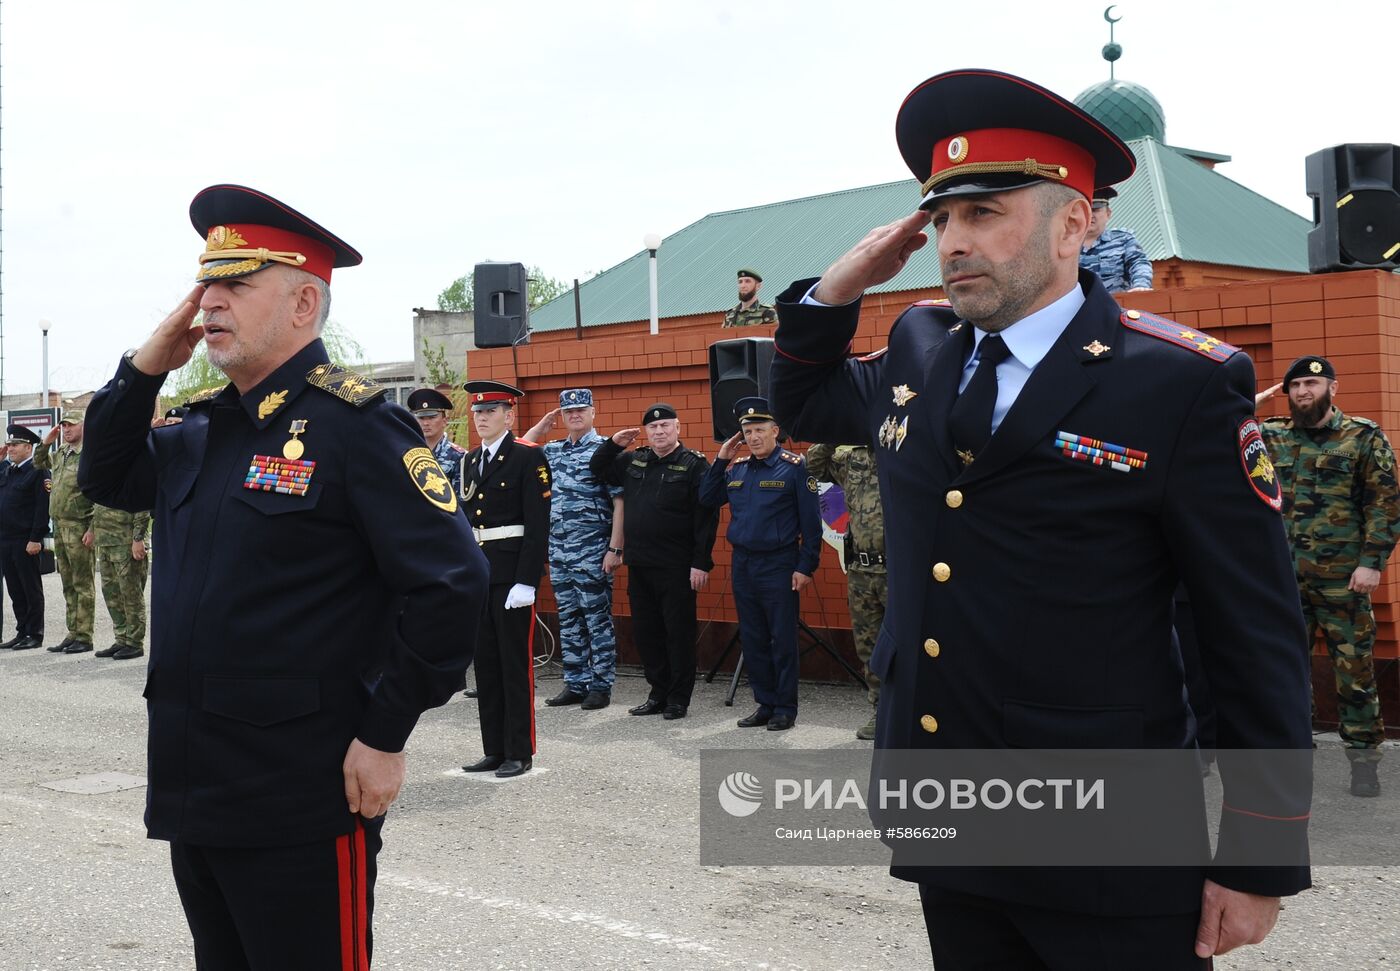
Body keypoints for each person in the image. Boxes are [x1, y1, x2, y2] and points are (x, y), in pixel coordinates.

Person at [767, 69, 1312, 968]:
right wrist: (840, 285)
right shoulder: (919, 344)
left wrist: (1259, 851)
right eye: (941, 219)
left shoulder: (1176, 381)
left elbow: (1253, 629)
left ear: (1074, 223)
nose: (952, 242)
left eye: (985, 213)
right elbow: (802, 402)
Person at [77, 183, 488, 970]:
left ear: (304, 303)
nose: (207, 305)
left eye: (234, 285)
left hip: (303, 795)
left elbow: (450, 583)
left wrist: (384, 731)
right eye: (204, 286)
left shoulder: (357, 426)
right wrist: (145, 365)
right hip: (199, 787)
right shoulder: (202, 426)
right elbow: (106, 471)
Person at [1257, 355, 1399, 798]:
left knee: (1353, 671)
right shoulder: (1270, 435)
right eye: (1295, 385)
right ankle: (1296, 760)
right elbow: (1218, 430)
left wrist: (1372, 562)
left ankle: (1363, 762)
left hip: (1344, 578)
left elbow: (1384, 503)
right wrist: (1247, 402)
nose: (1303, 392)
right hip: (1283, 580)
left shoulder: (1363, 436)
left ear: (1332, 389)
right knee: (1287, 672)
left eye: (1312, 385)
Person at [590, 404, 719, 719]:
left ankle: (678, 699)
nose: (659, 432)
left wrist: (700, 563)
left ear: (678, 428)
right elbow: (598, 466)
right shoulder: (637, 459)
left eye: (665, 426)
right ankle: (657, 693)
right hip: (641, 564)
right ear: (646, 432)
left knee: (678, 634)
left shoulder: (694, 465)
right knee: (648, 635)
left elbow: (707, 517)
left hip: (676, 566)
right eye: (653, 428)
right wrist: (614, 443)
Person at [700, 398, 821, 730]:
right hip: (744, 564)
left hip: (780, 564)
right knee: (752, 638)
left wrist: (805, 566)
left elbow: (812, 525)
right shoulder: (737, 468)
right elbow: (707, 499)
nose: (753, 437)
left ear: (775, 431)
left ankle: (785, 708)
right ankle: (764, 703)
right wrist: (721, 458)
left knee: (782, 638)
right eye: (747, 432)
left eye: (759, 430)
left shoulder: (795, 468)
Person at [459, 380, 552, 778]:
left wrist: (527, 580)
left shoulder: (528, 457)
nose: (482, 418)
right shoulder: (468, 462)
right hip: (480, 575)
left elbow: (537, 524)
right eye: (478, 412)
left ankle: (520, 750)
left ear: (509, 416)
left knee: (515, 666)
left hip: (513, 577)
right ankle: (494, 749)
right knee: (487, 666)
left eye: (491, 412)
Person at [520, 388, 624, 710]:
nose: (575, 415)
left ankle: (601, 685)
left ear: (593, 412)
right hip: (560, 551)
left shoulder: (606, 451)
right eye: (568, 412)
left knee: (597, 620)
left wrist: (615, 548)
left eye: (581, 409)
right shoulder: (554, 451)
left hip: (593, 551)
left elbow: (620, 502)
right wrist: (541, 426)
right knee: (568, 618)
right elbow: (520, 449)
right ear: (561, 416)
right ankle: (575, 682)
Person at [806, 443, 884, 740]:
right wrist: (833, 432)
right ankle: (881, 712)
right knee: (870, 648)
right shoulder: (850, 458)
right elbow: (812, 467)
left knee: (910, 645)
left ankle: (919, 713)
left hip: (900, 571)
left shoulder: (901, 448)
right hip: (861, 571)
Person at [36, 411, 96, 654]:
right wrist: (47, 441)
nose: (67, 429)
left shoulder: (90, 454)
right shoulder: (61, 453)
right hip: (60, 527)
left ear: (83, 425)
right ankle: (73, 632)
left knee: (83, 584)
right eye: (64, 425)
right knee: (68, 584)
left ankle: (85, 635)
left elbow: (98, 494)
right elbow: (38, 463)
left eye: (71, 425)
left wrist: (93, 529)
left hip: (80, 527)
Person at [0, 425, 51, 651]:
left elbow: (42, 507)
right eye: (9, 445)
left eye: (14, 445)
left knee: (30, 588)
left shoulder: (38, 470)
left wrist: (36, 537)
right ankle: (22, 631)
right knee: (15, 589)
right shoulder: (8, 470)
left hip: (25, 540)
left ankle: (35, 633)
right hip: (6, 539)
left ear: (28, 447)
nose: (10, 448)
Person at [91, 501, 151, 659]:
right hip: (105, 542)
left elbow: (142, 506)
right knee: (111, 594)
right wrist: (92, 530)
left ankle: (134, 643)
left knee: (131, 595)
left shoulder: (134, 475)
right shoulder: (104, 476)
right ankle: (122, 638)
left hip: (126, 541)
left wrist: (138, 539)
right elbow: (97, 504)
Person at [1078, 186, 1153, 293]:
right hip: (1082, 308)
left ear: (1108, 213)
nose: (1090, 215)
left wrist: (1141, 285)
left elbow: (1139, 263)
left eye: (1095, 210)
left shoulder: (1123, 240)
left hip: (1115, 307)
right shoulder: (1067, 246)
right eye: (1086, 210)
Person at [407, 387, 468, 501]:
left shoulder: (459, 457)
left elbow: (461, 504)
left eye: (431, 417)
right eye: (421, 418)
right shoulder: (409, 455)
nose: (425, 423)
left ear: (445, 421)